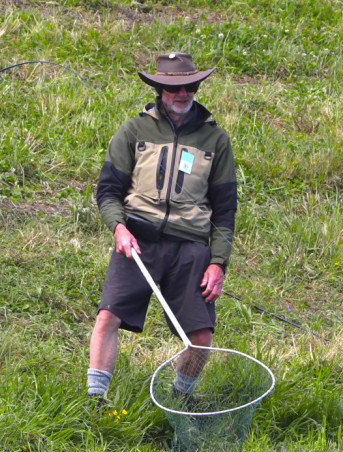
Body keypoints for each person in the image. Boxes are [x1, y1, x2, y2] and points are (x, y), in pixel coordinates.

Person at [86, 52, 238, 402]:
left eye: (190, 86)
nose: (183, 93)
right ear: (159, 88)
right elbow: (108, 191)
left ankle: (181, 399)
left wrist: (218, 263)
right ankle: (95, 401)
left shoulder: (216, 140)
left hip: (191, 248)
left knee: (200, 337)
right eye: (174, 88)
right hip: (137, 241)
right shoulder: (134, 129)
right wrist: (119, 229)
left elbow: (225, 211)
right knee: (108, 317)